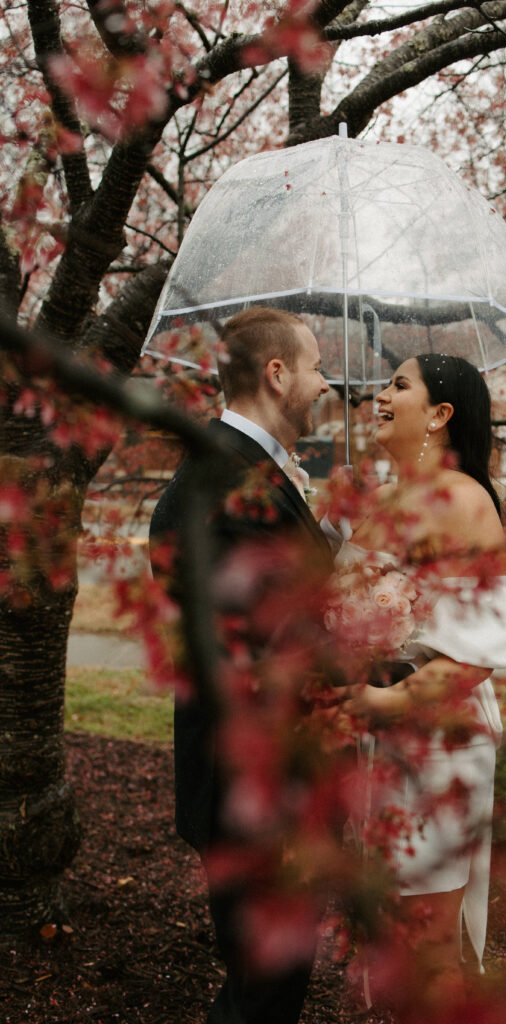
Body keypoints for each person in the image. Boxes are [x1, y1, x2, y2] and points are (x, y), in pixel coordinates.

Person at [334, 352, 506, 1006]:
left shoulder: (462, 501)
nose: (380, 394)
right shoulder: (385, 497)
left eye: (398, 384)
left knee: (427, 942)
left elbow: (477, 649)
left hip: (436, 747)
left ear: (441, 413)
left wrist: (383, 698)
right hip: (379, 741)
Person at [149, 306, 332, 1024]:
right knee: (262, 989)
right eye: (315, 367)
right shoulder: (220, 475)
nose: (324, 384)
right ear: (277, 373)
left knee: (279, 983)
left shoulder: (254, 470)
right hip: (250, 784)